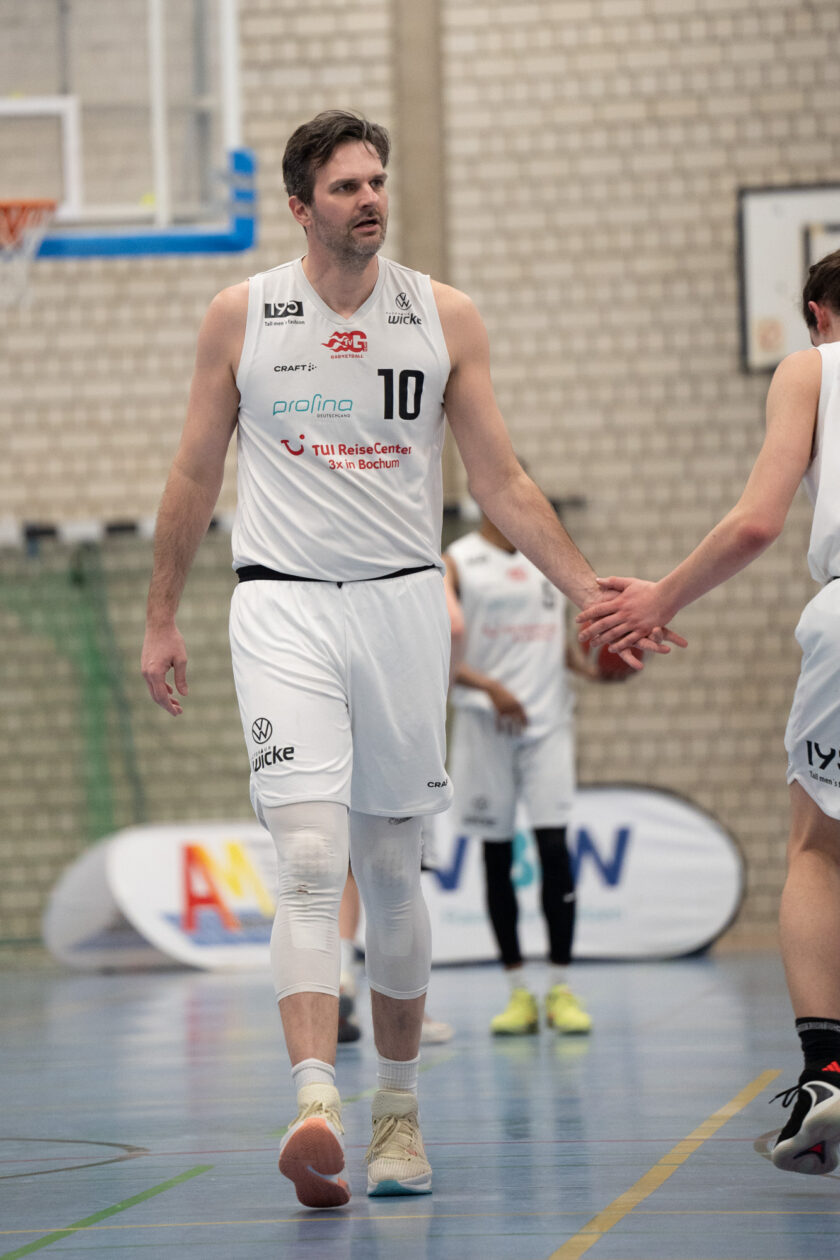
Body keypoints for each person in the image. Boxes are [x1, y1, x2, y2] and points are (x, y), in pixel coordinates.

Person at [140, 109, 675, 1210]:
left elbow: (502, 482)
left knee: (389, 868)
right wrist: (160, 618)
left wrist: (589, 592)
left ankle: (396, 1113)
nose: (370, 199)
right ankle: (314, 1103)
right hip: (281, 605)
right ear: (300, 207)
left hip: (401, 606)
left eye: (377, 180)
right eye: (346, 187)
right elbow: (193, 475)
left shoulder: (445, 316)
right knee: (306, 855)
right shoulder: (241, 315)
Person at [578, 248, 840, 1176]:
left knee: (818, 850)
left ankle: (827, 1072)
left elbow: (758, 520)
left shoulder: (812, 368)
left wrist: (662, 597)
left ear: (817, 313)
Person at [444, 510, 620, 1039]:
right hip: (485, 724)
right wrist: (490, 687)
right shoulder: (458, 562)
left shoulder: (547, 560)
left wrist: (589, 670)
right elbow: (438, 647)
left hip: (547, 726)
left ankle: (561, 988)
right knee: (496, 855)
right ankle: (518, 991)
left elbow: (550, 640)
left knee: (554, 851)